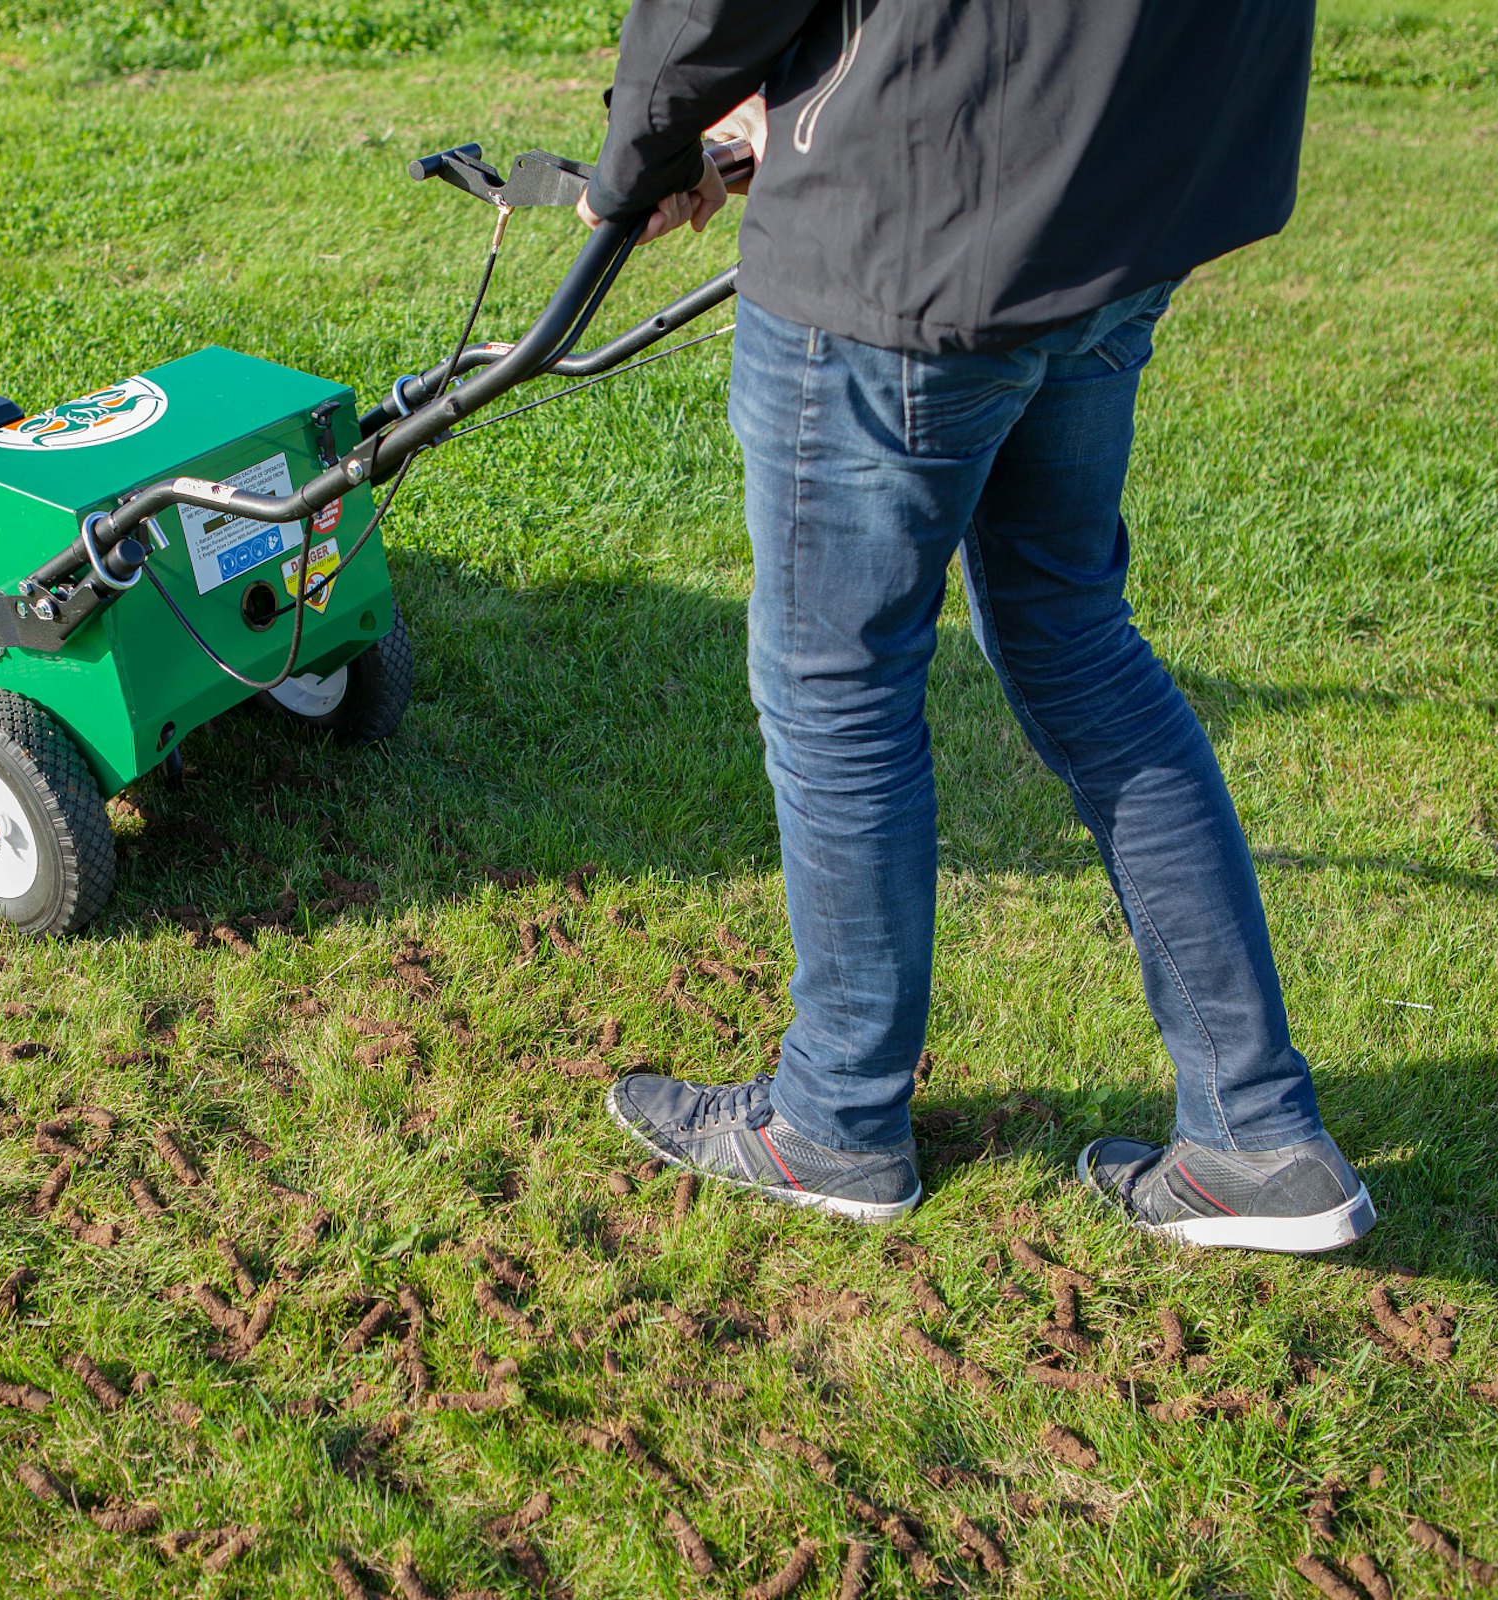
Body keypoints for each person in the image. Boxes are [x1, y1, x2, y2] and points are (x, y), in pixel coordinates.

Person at [581, 0, 1377, 1252]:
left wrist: (646, 147)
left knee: (835, 686)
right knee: (1079, 644)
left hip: (912, 234)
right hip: (1120, 204)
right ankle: (1257, 1134)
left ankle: (836, 1117)